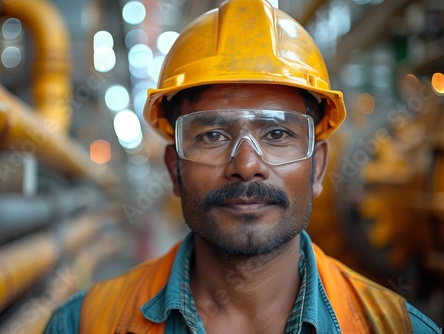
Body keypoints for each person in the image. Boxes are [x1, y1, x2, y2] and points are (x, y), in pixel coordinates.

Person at [44, 0, 442, 332]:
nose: (247, 165)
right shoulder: (85, 323)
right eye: (213, 135)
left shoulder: (397, 327)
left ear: (318, 167)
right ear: (174, 170)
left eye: (277, 134)